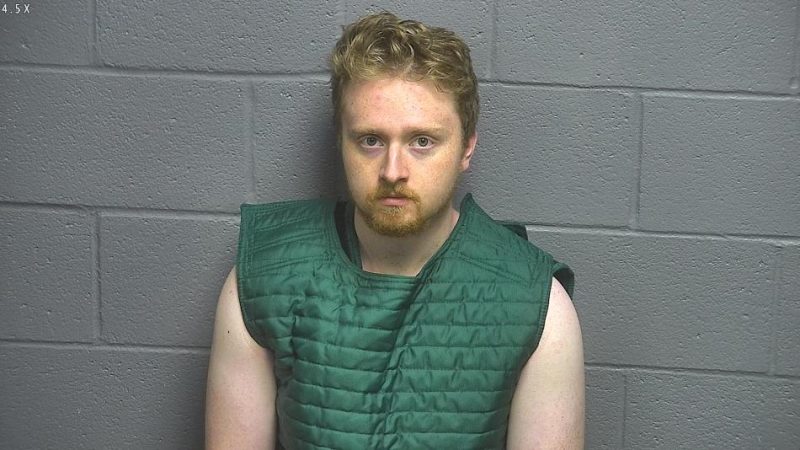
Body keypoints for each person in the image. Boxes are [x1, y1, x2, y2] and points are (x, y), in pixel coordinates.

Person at [206, 12, 584, 449]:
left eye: (422, 141)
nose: (392, 171)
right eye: (370, 140)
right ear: (341, 141)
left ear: (466, 148)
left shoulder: (539, 305)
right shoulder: (265, 275)